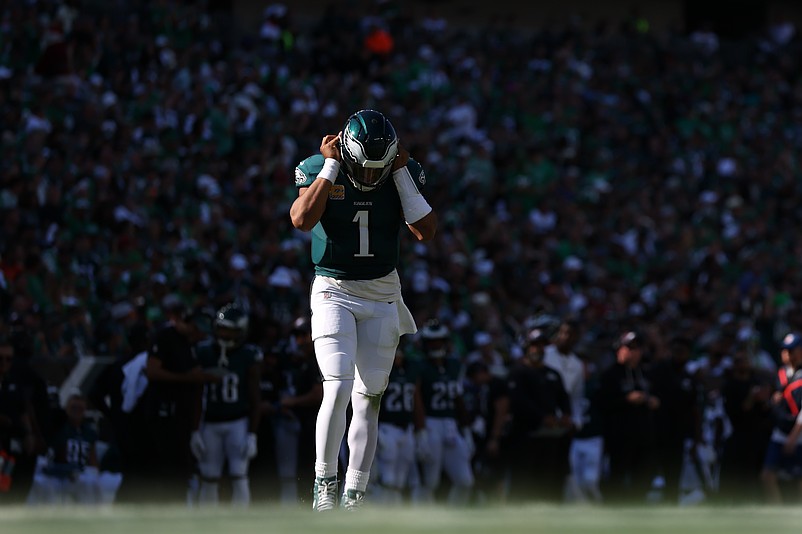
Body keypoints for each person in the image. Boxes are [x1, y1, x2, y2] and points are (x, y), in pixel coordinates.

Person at [290, 109, 437, 511]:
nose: (372, 177)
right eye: (365, 168)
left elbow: (426, 231)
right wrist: (333, 167)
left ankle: (355, 493)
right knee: (335, 387)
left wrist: (402, 174)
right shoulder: (323, 166)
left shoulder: (401, 171)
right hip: (334, 288)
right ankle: (325, 483)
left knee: (369, 395)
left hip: (383, 292)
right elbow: (301, 220)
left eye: (381, 169)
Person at [138, 295, 219, 503]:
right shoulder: (165, 336)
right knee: (166, 468)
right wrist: (187, 378)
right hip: (162, 413)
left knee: (182, 469)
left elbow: (195, 377)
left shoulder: (188, 344)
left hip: (181, 415)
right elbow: (152, 371)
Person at [191, 303, 263, 506]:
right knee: (209, 476)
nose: (224, 334)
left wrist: (252, 434)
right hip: (210, 422)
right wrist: (195, 429)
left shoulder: (249, 355)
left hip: (237, 422)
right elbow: (197, 393)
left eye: (230, 330)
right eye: (221, 328)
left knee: (239, 474)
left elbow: (255, 398)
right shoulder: (204, 351)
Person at [506, 326, 573, 503]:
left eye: (542, 345)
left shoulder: (552, 374)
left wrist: (566, 414)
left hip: (550, 436)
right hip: (525, 435)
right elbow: (519, 402)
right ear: (526, 347)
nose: (538, 349)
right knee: (523, 481)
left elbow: (563, 398)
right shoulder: (518, 373)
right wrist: (542, 417)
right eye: (534, 345)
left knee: (549, 479)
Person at [413, 319, 474, 506]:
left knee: (465, 480)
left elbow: (458, 398)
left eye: (440, 340)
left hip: (451, 425)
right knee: (430, 481)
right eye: (432, 341)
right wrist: (421, 431)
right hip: (430, 424)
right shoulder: (420, 366)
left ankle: (455, 520)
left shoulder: (454, 365)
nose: (436, 345)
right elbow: (417, 401)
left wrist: (466, 428)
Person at [598, 330, 661, 504]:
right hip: (619, 435)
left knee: (642, 476)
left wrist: (652, 400)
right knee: (617, 476)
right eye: (628, 348)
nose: (632, 352)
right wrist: (625, 399)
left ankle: (637, 507)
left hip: (644, 435)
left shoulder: (646, 374)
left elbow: (655, 396)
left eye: (636, 349)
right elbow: (602, 403)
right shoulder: (610, 375)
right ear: (619, 349)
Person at [760, 332, 802, 504]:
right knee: (767, 475)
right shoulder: (781, 373)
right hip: (780, 431)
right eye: (785, 350)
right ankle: (776, 511)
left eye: (792, 350)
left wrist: (793, 437)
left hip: (798, 434)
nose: (787, 354)